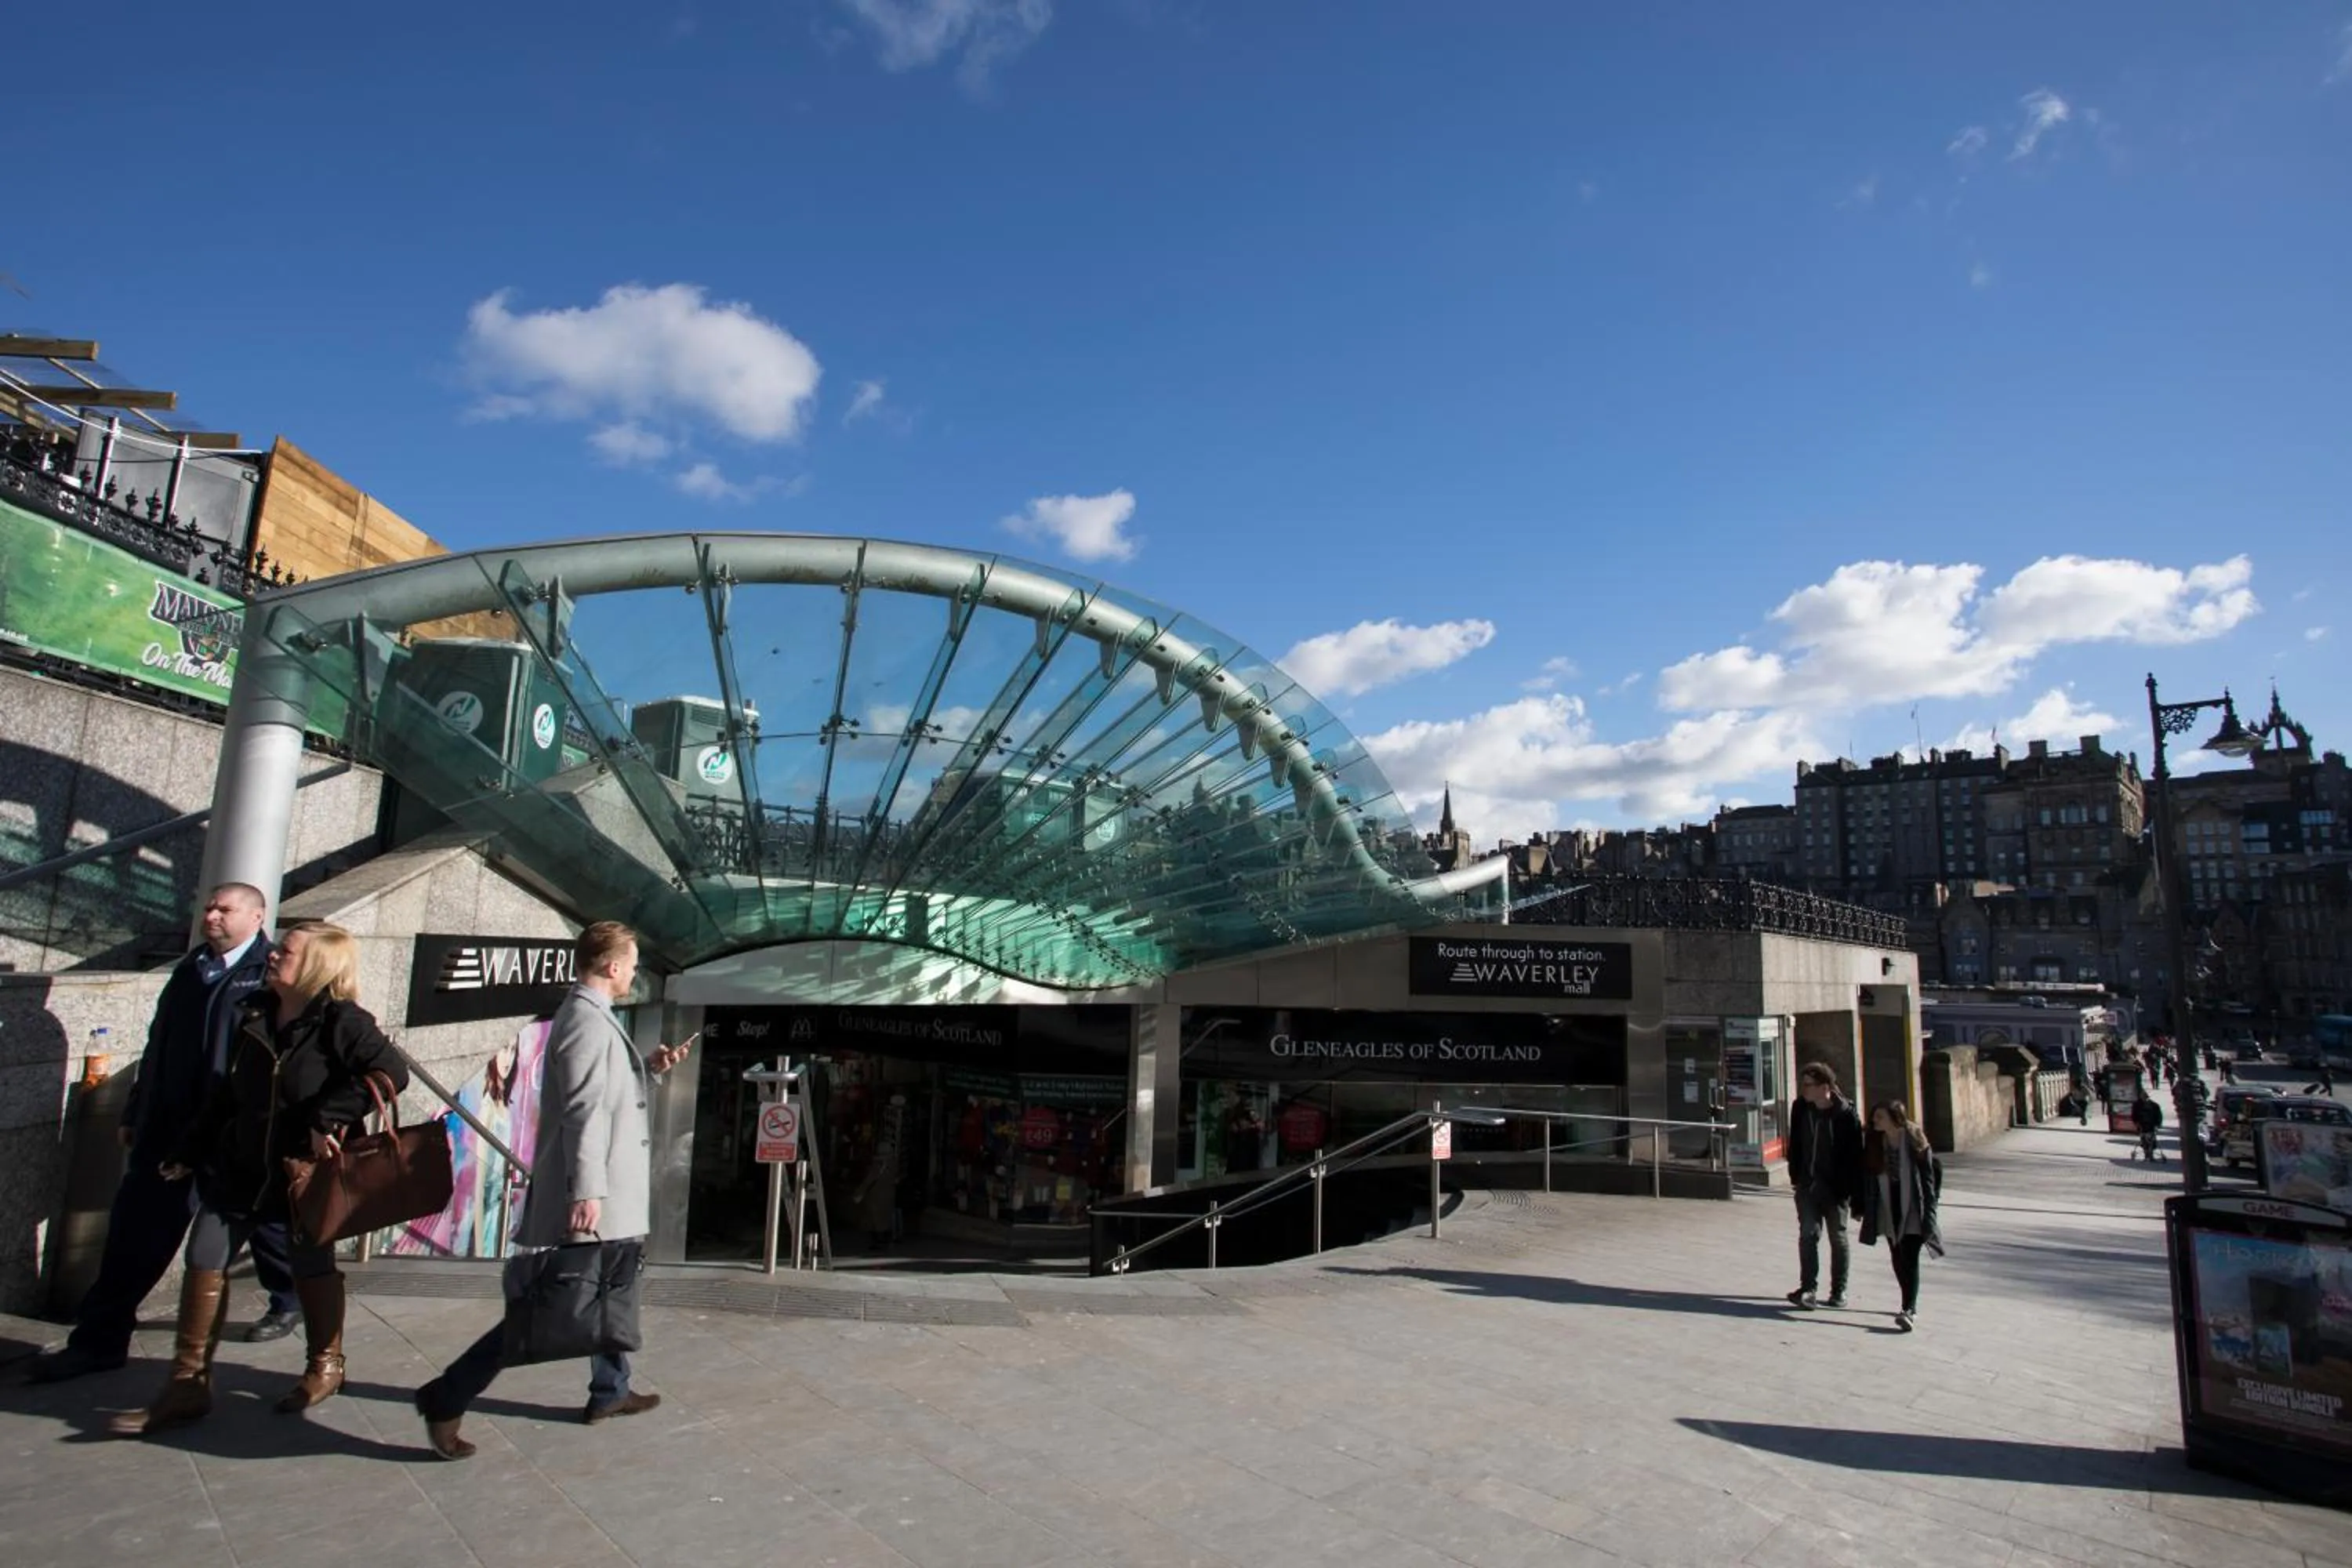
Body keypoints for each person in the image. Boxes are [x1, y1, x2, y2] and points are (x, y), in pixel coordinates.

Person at [112, 921, 409, 1435]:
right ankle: (188, 1384)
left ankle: (326, 1366)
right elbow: (226, 1095)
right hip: (240, 1168)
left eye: (286, 952)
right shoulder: (254, 1013)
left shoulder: (343, 1021)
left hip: (301, 1175)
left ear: (316, 965)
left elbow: (389, 1073)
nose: (272, 955)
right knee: (204, 1258)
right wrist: (189, 1150)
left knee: (311, 1267)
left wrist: (327, 1118)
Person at [414, 921, 692, 1460]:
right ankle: (448, 1394)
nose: (635, 974)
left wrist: (649, 1070)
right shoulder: (586, 1021)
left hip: (608, 1191)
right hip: (598, 1194)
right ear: (613, 966)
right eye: (633, 964)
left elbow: (606, 1097)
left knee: (608, 1289)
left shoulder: (594, 1016)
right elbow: (583, 1111)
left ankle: (610, 1389)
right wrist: (586, 1190)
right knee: (553, 1305)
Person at [24, 886, 303, 1387]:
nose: (212, 916)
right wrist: (137, 1109)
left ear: (257, 917)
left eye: (225, 909)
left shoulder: (271, 974)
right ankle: (98, 1342)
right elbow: (158, 1045)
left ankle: (290, 1298)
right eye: (209, 907)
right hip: (170, 1131)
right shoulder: (191, 969)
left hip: (233, 1136)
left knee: (266, 1228)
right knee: (135, 1235)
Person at [1782, 1062, 1863, 1311]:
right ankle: (1808, 1289)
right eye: (1803, 1084)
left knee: (1837, 1238)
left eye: (1808, 1085)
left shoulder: (1846, 1115)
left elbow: (1855, 1157)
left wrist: (1855, 1195)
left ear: (1825, 1087)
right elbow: (1796, 1143)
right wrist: (1796, 1174)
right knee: (1808, 1234)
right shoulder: (1801, 1108)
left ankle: (1839, 1290)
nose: (1803, 1089)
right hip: (1808, 1185)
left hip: (1836, 1189)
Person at [1857, 1100, 1943, 1333]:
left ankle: (1909, 1308)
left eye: (1880, 1117)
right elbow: (1867, 1175)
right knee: (1896, 1254)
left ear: (1895, 1119)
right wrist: (1861, 1206)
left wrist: (1930, 1213)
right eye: (1874, 1116)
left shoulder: (1914, 1139)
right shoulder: (1875, 1140)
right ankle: (1907, 1299)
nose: (1875, 1120)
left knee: (1910, 1255)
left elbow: (1928, 1179)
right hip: (1888, 1203)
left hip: (1913, 1203)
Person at [2132, 1087, 2165, 1163]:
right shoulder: (2137, 1105)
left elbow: (2159, 1116)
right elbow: (2134, 1115)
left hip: (2151, 1126)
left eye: (2146, 1097)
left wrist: (2158, 1125)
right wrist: (2136, 1123)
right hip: (2142, 1126)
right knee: (2144, 1141)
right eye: (2143, 1097)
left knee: (2151, 1141)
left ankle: (2150, 1155)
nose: (2145, 1099)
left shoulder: (2154, 1105)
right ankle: (2147, 1155)